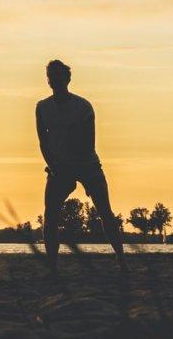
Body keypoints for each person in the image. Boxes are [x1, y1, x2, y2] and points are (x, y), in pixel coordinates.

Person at [36, 59, 127, 274]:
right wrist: (54, 165)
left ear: (68, 79)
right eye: (52, 76)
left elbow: (89, 142)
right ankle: (52, 265)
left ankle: (121, 259)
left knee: (105, 211)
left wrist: (76, 167)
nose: (55, 80)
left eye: (60, 76)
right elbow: (43, 142)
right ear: (48, 81)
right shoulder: (42, 107)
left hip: (87, 164)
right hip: (58, 167)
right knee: (50, 216)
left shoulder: (83, 106)